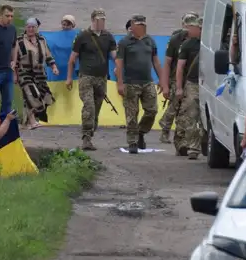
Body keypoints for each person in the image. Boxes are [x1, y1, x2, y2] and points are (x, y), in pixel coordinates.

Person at [66, 8, 117, 151]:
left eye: (103, 20)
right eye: (99, 20)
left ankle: (90, 130)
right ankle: (86, 138)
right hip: (86, 76)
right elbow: (72, 59)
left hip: (101, 77)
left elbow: (115, 56)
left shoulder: (108, 37)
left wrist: (118, 67)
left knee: (97, 107)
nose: (102, 23)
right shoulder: (83, 36)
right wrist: (69, 78)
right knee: (89, 106)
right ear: (93, 20)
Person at [116, 14, 163, 154]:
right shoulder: (124, 42)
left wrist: (162, 79)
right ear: (132, 25)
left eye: (143, 24)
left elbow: (156, 61)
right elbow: (119, 64)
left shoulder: (150, 41)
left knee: (152, 110)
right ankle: (132, 142)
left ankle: (141, 132)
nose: (141, 27)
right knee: (131, 114)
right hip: (130, 82)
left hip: (147, 82)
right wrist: (120, 83)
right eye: (138, 24)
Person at [159, 12, 198, 143]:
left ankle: (182, 136)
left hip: (192, 78)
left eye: (192, 25)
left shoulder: (199, 39)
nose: (188, 28)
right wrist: (165, 85)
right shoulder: (176, 39)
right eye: (186, 25)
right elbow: (168, 62)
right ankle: (165, 128)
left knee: (185, 109)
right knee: (174, 105)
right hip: (176, 77)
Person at [15, 17, 59, 129]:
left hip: (40, 74)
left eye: (33, 27)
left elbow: (48, 56)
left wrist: (53, 67)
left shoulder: (42, 40)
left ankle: (27, 122)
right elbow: (14, 60)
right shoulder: (19, 41)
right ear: (26, 27)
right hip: (24, 73)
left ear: (37, 28)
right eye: (28, 27)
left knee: (45, 97)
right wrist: (14, 75)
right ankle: (32, 121)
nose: (30, 29)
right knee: (32, 94)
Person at [173, 16, 203, 159]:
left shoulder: (215, 44)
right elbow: (180, 67)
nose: (189, 31)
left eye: (193, 28)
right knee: (191, 115)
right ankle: (193, 148)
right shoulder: (188, 44)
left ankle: (203, 144)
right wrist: (179, 88)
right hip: (193, 83)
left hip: (209, 83)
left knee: (205, 117)